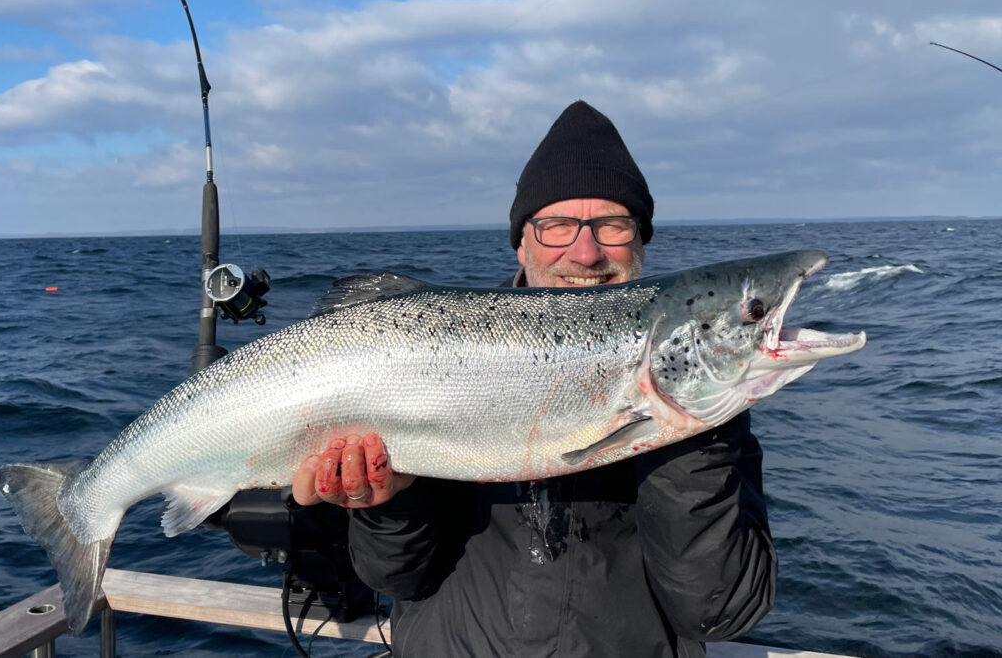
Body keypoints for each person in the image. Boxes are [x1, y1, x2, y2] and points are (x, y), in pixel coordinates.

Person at [292, 101, 776, 657]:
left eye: (613, 225)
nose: (586, 252)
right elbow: (396, 578)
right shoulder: (435, 360)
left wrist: (686, 427)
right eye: (557, 226)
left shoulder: (702, 391)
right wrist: (386, 505)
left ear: (640, 242)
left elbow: (721, 611)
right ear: (522, 243)